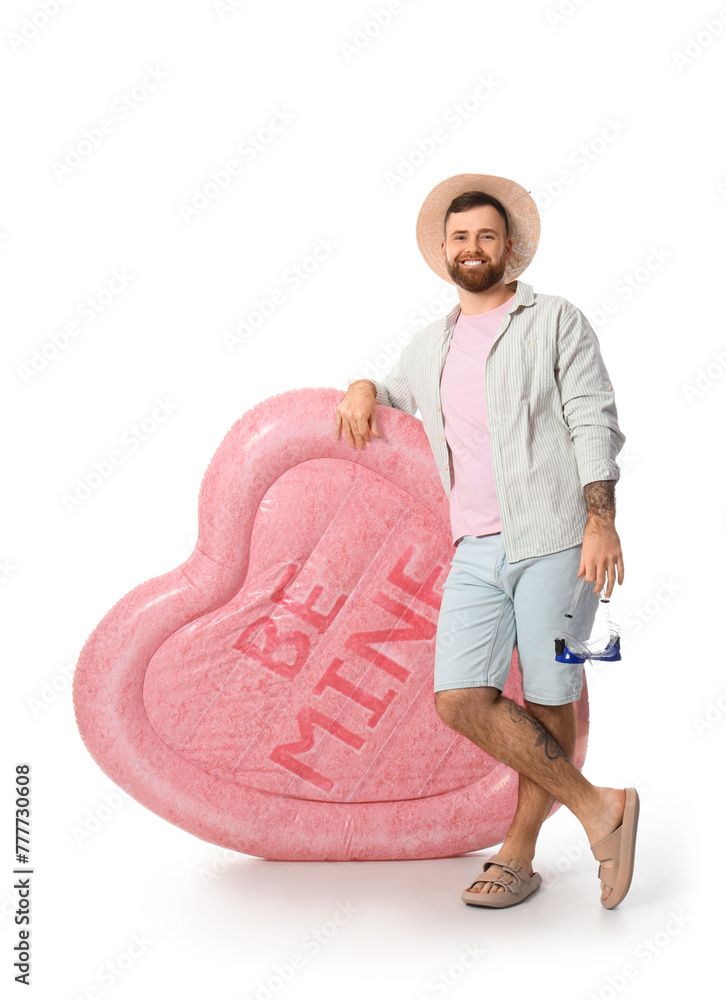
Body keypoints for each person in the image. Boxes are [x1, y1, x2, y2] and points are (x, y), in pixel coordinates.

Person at [334, 173, 639, 909]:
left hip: (561, 539)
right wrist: (362, 386)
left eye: (487, 236)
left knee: (550, 691)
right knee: (459, 697)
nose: (474, 248)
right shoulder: (427, 344)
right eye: (461, 238)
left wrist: (602, 521)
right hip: (474, 547)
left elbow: (593, 418)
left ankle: (521, 851)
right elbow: (393, 393)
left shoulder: (556, 320)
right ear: (444, 252)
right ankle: (603, 807)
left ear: (511, 249)